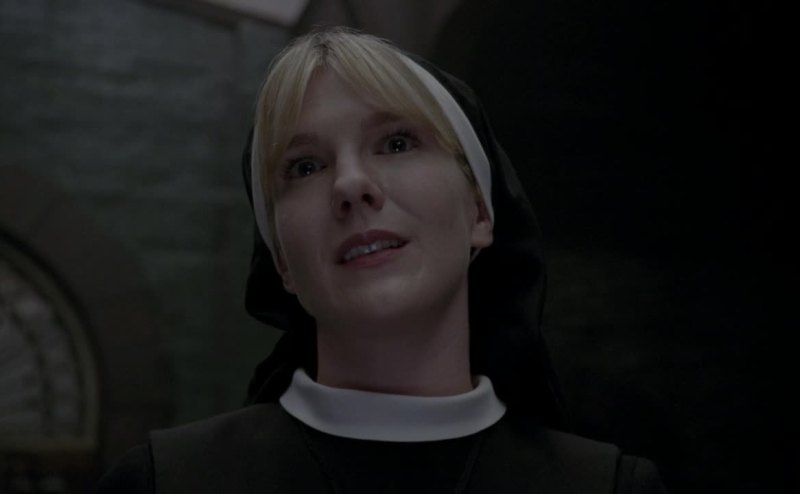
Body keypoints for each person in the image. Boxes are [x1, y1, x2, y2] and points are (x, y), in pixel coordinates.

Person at [97, 27, 668, 493]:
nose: (350, 184)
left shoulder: (606, 487)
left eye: (397, 143)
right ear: (282, 262)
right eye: (305, 166)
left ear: (479, 212)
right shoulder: (165, 483)